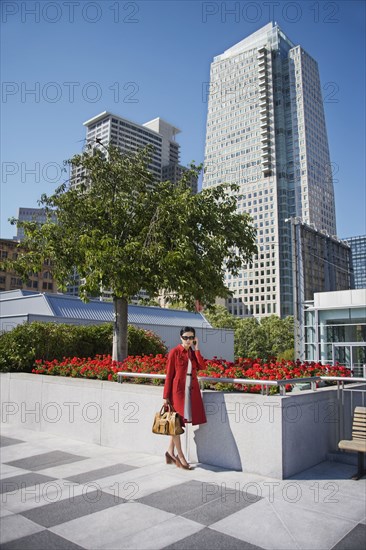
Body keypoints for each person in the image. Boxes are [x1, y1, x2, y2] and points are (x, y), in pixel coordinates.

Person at [163, 326, 207, 470]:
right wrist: (165, 396)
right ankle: (180, 456)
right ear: (181, 338)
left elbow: (202, 366)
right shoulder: (174, 352)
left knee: (178, 423)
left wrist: (197, 348)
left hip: (191, 391)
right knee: (178, 424)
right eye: (186, 338)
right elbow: (169, 376)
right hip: (178, 392)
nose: (188, 340)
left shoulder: (192, 353)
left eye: (191, 338)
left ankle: (170, 452)